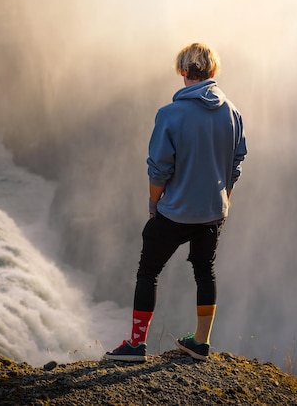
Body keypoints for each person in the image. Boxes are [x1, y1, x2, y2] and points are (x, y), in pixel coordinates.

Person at [104, 42, 247, 362]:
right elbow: (236, 163)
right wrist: (225, 202)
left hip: (174, 212)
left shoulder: (169, 114)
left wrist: (154, 205)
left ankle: (136, 345)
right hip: (212, 212)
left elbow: (159, 168)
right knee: (205, 272)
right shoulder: (233, 113)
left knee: (148, 272)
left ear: (183, 72)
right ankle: (200, 342)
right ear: (213, 72)